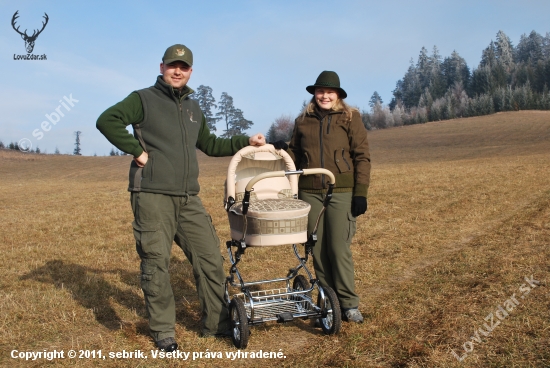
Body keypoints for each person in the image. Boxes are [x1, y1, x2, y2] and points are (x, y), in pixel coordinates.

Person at [96, 44, 265, 352]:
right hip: (152, 195)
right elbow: (107, 120)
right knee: (156, 262)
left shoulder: (193, 108)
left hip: (189, 198)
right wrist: (138, 152)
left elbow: (211, 144)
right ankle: (163, 331)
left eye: (183, 67)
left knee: (210, 260)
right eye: (172, 65)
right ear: (162, 67)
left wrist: (247, 141)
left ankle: (217, 324)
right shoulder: (143, 99)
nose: (177, 71)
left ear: (190, 72)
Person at [285, 70, 371, 323]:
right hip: (309, 193)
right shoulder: (303, 121)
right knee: (318, 249)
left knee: (338, 248)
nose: (324, 96)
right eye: (320, 91)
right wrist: (282, 150)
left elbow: (362, 157)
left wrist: (360, 193)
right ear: (314, 94)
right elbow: (294, 156)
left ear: (338, 95)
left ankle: (348, 304)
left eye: (329, 92)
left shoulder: (350, 118)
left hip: (341, 191)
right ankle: (327, 299)